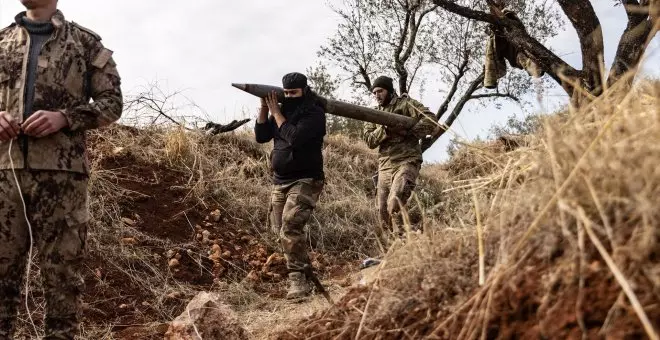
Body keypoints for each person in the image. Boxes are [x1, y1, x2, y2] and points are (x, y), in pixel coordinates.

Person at [0, 0, 123, 338]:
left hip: (62, 178)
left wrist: (65, 117)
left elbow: (112, 104)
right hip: (4, 174)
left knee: (62, 280)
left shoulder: (84, 43)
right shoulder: (1, 42)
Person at [254, 72, 326, 300]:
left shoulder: (314, 112)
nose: (289, 97)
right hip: (280, 181)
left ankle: (298, 282)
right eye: (285, 93)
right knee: (281, 232)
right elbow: (261, 136)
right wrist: (265, 108)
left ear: (304, 90)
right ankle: (307, 275)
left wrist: (276, 112)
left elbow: (294, 137)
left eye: (293, 93)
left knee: (290, 227)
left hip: (306, 179)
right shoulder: (281, 110)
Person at [363, 76, 437, 248]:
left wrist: (408, 132)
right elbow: (369, 140)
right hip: (385, 166)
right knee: (382, 212)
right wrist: (386, 131)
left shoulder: (406, 105)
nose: (377, 95)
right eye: (374, 92)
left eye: (380, 91)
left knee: (395, 201)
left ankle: (405, 244)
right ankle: (392, 250)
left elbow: (431, 120)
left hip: (407, 161)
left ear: (389, 90)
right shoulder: (373, 114)